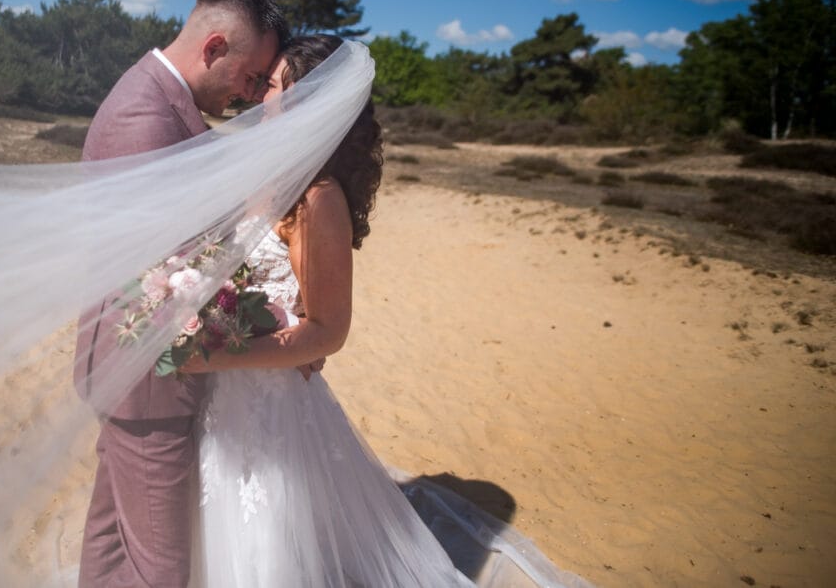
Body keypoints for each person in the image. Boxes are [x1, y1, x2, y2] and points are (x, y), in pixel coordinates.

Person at [185, 35, 589, 587]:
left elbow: (328, 331)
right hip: (222, 397)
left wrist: (208, 358)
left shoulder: (317, 198)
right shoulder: (263, 174)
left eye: (274, 85)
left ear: (308, 100)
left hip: (268, 405)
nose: (259, 96)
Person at [75, 0, 292, 588]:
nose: (251, 95)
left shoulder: (159, 98)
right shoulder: (146, 117)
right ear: (215, 46)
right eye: (251, 78)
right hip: (146, 375)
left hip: (130, 370)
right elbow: (172, 277)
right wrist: (275, 323)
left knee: (114, 534)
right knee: (160, 569)